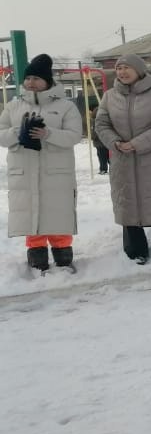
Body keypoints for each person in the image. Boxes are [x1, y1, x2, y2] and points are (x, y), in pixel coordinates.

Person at [94, 55, 151, 263]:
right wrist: (115, 142)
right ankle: (135, 252)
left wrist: (137, 143)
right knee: (128, 204)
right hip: (122, 161)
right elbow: (101, 125)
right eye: (119, 69)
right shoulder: (109, 97)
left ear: (139, 70)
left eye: (127, 68)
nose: (122, 72)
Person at [0, 54, 83, 272]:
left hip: (56, 171)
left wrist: (48, 133)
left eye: (36, 78)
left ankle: (63, 255)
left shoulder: (65, 106)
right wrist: (18, 132)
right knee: (31, 213)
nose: (31, 82)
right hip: (24, 170)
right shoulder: (13, 106)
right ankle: (36, 257)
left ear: (47, 81)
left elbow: (74, 135)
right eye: (28, 78)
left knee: (57, 213)